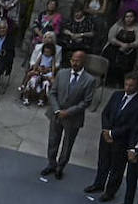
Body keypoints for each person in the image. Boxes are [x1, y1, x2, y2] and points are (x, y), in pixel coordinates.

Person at [41, 50, 96, 180]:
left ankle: (60, 167)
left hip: (73, 117)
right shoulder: (62, 73)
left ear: (84, 62)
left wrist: (68, 112)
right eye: (73, 60)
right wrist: (57, 110)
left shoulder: (89, 80)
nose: (75, 63)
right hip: (56, 114)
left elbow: (86, 102)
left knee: (67, 144)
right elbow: (53, 93)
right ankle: (51, 163)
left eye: (78, 61)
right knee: (53, 140)